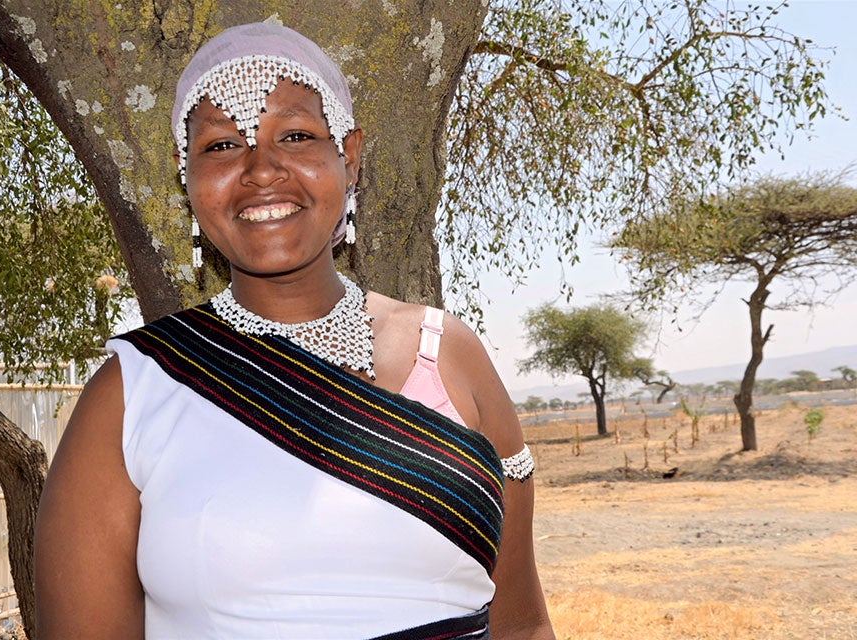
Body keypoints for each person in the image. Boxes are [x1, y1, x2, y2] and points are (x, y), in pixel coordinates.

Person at [34, 22, 556, 640]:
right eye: (223, 146)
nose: (261, 169)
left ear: (350, 156)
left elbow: (522, 627)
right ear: (186, 175)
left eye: (297, 135)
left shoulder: (448, 356)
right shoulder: (132, 392)